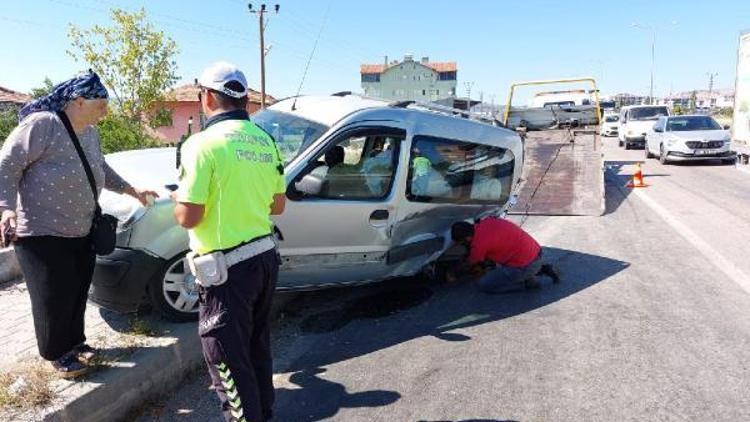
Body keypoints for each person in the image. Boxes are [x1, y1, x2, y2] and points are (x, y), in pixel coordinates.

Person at [0, 71, 157, 378]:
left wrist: (132, 191)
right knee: (52, 295)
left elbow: (100, 168)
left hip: (82, 228)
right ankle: (57, 353)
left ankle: (76, 342)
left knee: (75, 289)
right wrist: (5, 209)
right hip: (40, 232)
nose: (106, 112)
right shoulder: (43, 124)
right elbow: (7, 164)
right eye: (101, 104)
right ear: (79, 101)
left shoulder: (89, 132)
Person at [173, 62, 286, 422]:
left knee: (225, 358)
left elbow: (188, 217)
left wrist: (178, 200)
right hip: (265, 258)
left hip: (227, 271)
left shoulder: (201, 144)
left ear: (206, 97)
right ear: (245, 99)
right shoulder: (266, 141)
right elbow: (278, 205)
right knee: (256, 346)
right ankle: (263, 413)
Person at [451, 217, 559, 293]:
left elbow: (470, 263)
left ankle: (526, 283)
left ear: (467, 238)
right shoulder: (487, 221)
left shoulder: (478, 244)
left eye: (461, 242)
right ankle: (542, 269)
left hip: (525, 265)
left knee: (484, 285)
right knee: (498, 262)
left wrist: (454, 272)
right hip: (536, 252)